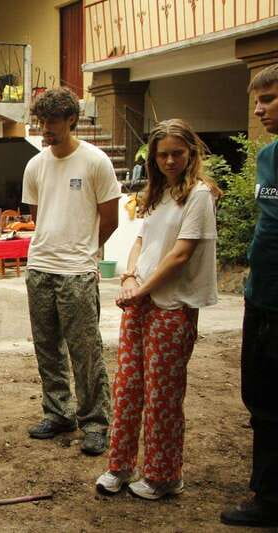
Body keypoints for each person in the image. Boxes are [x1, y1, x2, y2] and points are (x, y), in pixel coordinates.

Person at [94, 119, 220, 500]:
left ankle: (164, 476)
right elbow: (141, 241)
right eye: (162, 154)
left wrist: (141, 290)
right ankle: (119, 466)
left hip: (172, 306)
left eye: (177, 153)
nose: (169, 160)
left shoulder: (198, 195)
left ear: (191, 154)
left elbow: (181, 255)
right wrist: (130, 276)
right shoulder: (158, 192)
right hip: (142, 301)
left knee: (163, 394)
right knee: (129, 387)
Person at [22, 87, 120, 455]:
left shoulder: (95, 161)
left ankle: (95, 422)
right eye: (42, 121)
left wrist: (85, 251)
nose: (46, 128)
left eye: (53, 121)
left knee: (86, 351)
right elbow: (37, 216)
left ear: (71, 120)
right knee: (47, 348)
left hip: (77, 271)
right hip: (40, 268)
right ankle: (58, 412)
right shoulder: (36, 164)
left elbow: (109, 220)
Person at [221, 64, 278, 528]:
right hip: (261, 299)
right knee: (260, 400)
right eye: (256, 100)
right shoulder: (268, 156)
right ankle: (268, 493)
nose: (259, 110)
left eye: (270, 99)